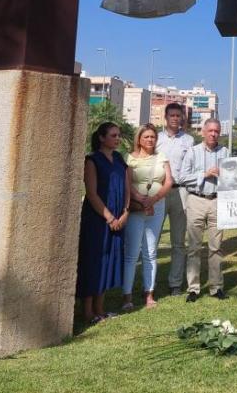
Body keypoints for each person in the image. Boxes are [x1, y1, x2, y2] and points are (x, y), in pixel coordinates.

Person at [77, 122, 131, 324]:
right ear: (101, 137)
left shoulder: (118, 159)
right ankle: (88, 311)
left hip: (118, 217)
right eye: (113, 135)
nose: (117, 139)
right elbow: (91, 193)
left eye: (119, 135)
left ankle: (101, 308)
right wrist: (109, 217)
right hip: (97, 220)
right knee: (94, 261)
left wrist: (125, 213)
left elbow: (127, 188)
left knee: (109, 260)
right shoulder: (92, 160)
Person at [175, 118, 229, 301]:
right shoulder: (192, 152)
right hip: (196, 200)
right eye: (210, 131)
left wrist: (225, 174)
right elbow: (182, 178)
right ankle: (194, 288)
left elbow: (233, 178)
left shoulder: (225, 152)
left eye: (217, 131)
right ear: (204, 132)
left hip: (217, 200)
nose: (213, 134)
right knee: (194, 247)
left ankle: (216, 287)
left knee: (216, 247)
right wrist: (204, 174)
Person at [122, 123, 173, 310]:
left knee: (151, 252)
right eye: (146, 137)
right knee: (132, 253)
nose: (150, 140)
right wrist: (142, 200)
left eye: (153, 137)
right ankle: (127, 296)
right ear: (139, 139)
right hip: (137, 209)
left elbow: (168, 181)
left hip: (157, 208)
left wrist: (154, 200)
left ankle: (149, 293)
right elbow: (127, 183)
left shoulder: (162, 157)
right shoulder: (130, 158)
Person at [160, 103, 194, 296]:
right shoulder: (156, 138)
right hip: (159, 192)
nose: (175, 118)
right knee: (153, 239)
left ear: (182, 118)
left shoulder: (188, 140)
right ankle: (151, 283)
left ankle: (175, 283)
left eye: (178, 116)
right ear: (165, 117)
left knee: (178, 241)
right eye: (171, 115)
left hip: (181, 192)